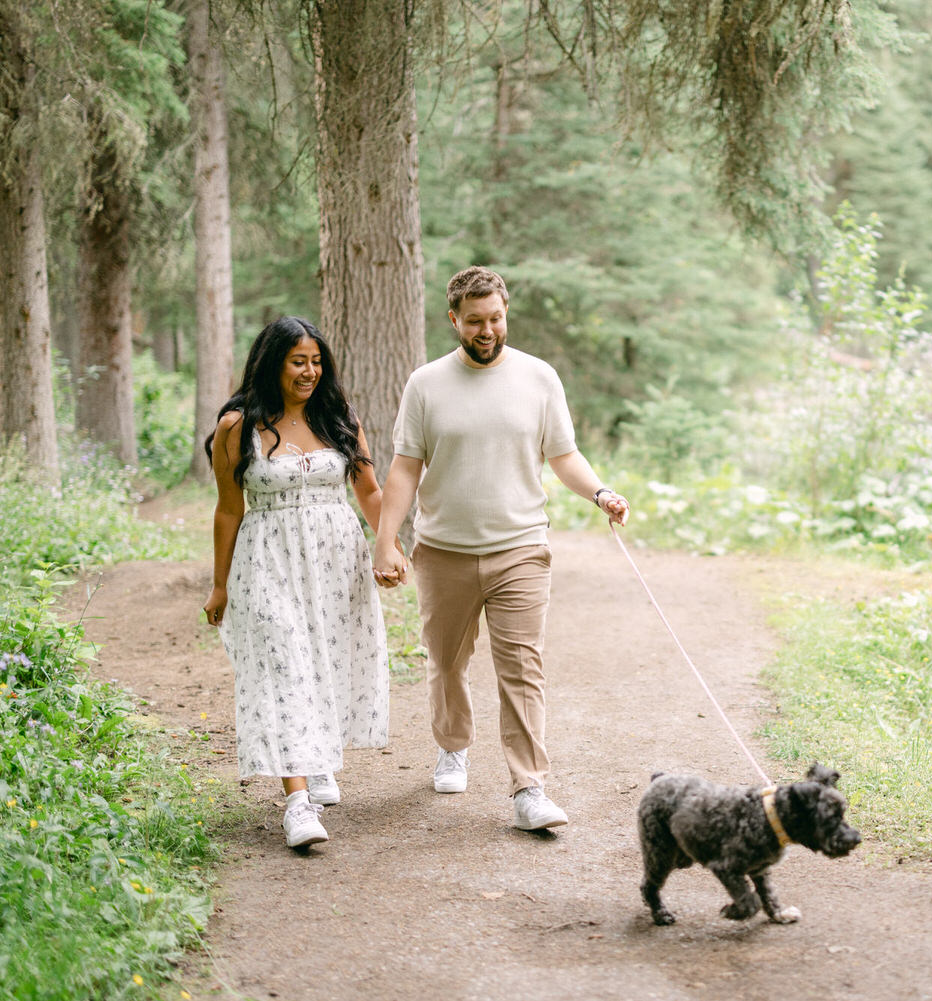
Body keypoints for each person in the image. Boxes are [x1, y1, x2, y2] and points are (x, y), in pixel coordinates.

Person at [372, 265, 628, 831]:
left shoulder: (539, 378)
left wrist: (601, 492)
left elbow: (564, 456)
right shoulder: (426, 384)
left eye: (496, 319)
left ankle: (529, 787)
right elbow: (405, 468)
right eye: (474, 322)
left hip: (520, 549)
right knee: (446, 662)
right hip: (443, 551)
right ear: (454, 320)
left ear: (506, 313)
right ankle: (453, 744)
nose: (487, 331)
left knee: (521, 667)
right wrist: (386, 541)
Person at [203, 316, 390, 850]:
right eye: (297, 361)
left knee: (326, 661)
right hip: (268, 561)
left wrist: (389, 544)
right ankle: (297, 803)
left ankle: (319, 757)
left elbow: (371, 492)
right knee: (284, 664)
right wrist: (220, 586)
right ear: (272, 363)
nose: (310, 371)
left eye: (316, 361)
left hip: (336, 563)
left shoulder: (339, 419)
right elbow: (227, 511)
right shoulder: (239, 426)